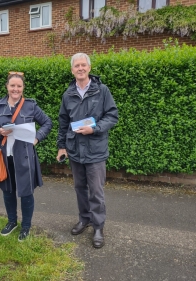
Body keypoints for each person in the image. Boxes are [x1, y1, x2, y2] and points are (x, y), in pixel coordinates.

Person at [56, 53, 118, 249]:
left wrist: (95, 128)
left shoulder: (102, 90)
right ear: (72, 70)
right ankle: (85, 219)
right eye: (77, 66)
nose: (80, 68)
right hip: (75, 150)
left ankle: (98, 226)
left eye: (83, 65)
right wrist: (61, 146)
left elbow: (112, 115)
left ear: (89, 68)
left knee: (96, 191)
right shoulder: (68, 94)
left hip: (95, 150)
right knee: (80, 188)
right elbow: (63, 122)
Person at [0, 71, 52, 241]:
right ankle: (12, 221)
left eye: (19, 86)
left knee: (26, 192)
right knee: (8, 191)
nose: (15, 89)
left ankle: (26, 226)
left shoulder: (30, 106)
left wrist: (37, 138)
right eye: (12, 86)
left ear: (23, 88)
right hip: (4, 156)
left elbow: (47, 122)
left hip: (24, 156)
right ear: (7, 87)